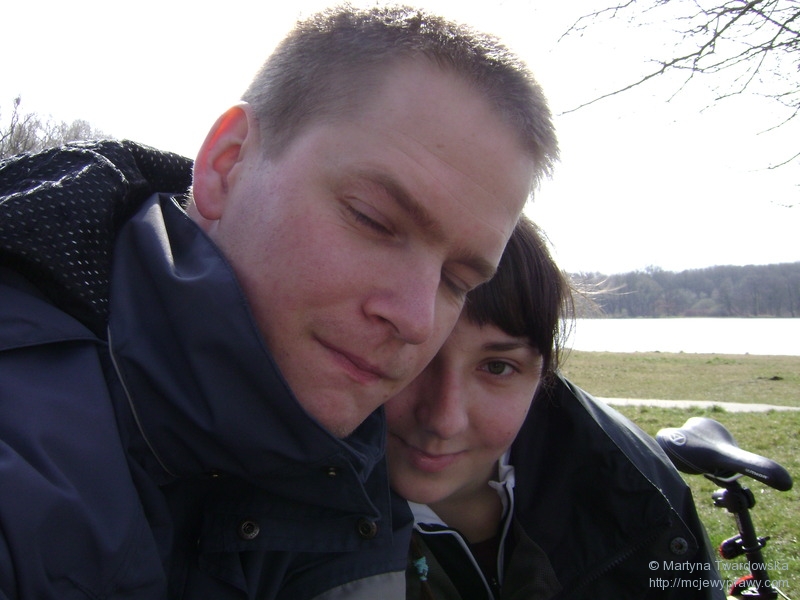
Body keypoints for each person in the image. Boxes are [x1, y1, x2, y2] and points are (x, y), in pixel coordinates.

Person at [0, 5, 559, 599]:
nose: (417, 321)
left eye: (457, 281)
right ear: (226, 163)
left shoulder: (363, 473)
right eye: (372, 219)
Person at [386, 216, 724, 599]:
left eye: (497, 367)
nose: (444, 420)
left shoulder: (639, 490)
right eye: (414, 354)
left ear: (543, 375)